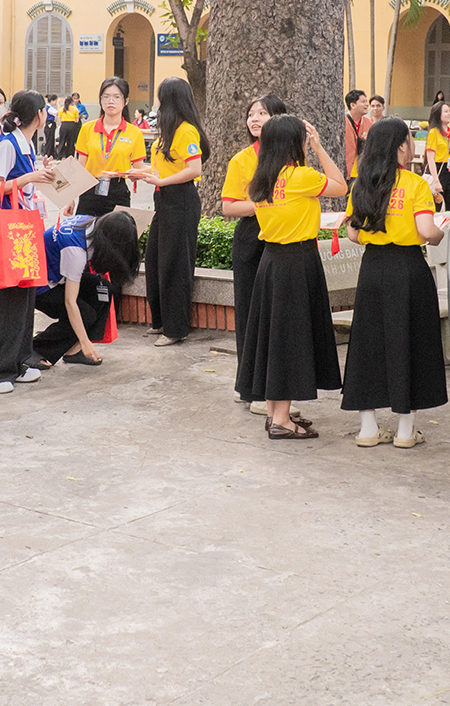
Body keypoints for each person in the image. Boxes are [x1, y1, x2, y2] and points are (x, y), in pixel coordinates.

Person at [341, 118, 448, 448]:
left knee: (367, 344)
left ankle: (368, 429)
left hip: (373, 271)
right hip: (408, 269)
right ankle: (404, 430)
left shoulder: (362, 184)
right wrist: (439, 234)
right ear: (402, 145)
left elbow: (353, 234)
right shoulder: (416, 184)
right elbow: (428, 231)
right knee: (410, 342)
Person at [239, 115, 347, 439]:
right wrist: (318, 145)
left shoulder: (261, 178)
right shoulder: (301, 177)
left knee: (276, 338)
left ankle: (275, 413)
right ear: (294, 143)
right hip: (297, 261)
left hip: (271, 262)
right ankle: (283, 421)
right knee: (288, 340)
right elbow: (340, 186)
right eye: (302, 139)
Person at [0, 90, 52, 393]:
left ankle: (19, 361)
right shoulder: (8, 144)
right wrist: (30, 178)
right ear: (37, 115)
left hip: (25, 231)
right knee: (7, 299)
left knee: (25, 299)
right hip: (11, 231)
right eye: (44, 110)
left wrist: (37, 172)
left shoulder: (25, 142)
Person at [219, 94, 287, 403]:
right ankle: (248, 385)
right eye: (251, 114)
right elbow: (229, 207)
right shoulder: (242, 159)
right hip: (250, 239)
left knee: (276, 314)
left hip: (282, 240)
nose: (254, 118)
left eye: (262, 113)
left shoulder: (292, 160)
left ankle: (275, 384)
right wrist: (265, 205)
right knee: (248, 312)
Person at [135, 77, 206, 346]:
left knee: (175, 264)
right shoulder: (169, 129)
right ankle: (161, 321)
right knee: (154, 260)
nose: (157, 103)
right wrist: (139, 172)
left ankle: (176, 329)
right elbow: (164, 167)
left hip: (181, 201)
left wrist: (161, 181)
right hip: (163, 201)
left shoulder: (186, 131)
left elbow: (194, 169)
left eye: (160, 98)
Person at [31, 210, 139, 367]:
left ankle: (74, 350)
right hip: (39, 286)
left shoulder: (90, 223)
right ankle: (34, 350)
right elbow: (70, 302)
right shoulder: (75, 250)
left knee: (103, 290)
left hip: (59, 276)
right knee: (84, 314)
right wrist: (85, 340)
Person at [74, 77, 147, 217]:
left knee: (117, 236)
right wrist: (70, 198)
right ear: (100, 100)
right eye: (106, 96)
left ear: (125, 101)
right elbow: (80, 167)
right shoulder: (87, 129)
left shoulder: (134, 133)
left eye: (116, 97)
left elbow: (139, 168)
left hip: (118, 191)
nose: (110, 101)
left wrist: (152, 172)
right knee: (84, 236)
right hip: (89, 190)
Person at [423, 100, 450, 207]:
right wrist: (436, 180)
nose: (449, 114)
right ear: (438, 115)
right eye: (446, 112)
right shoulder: (434, 132)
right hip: (438, 170)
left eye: (449, 111)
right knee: (436, 205)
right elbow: (430, 158)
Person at [342, 90, 369, 183]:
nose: (367, 104)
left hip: (362, 174)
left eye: (366, 101)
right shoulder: (342, 122)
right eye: (363, 102)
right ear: (352, 105)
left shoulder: (369, 123)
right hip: (345, 172)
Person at [56, 92, 83, 163]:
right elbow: (77, 120)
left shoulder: (62, 109)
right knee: (70, 141)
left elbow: (60, 119)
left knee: (62, 140)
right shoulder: (74, 109)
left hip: (64, 125)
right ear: (71, 102)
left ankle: (59, 156)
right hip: (72, 125)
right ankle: (70, 155)